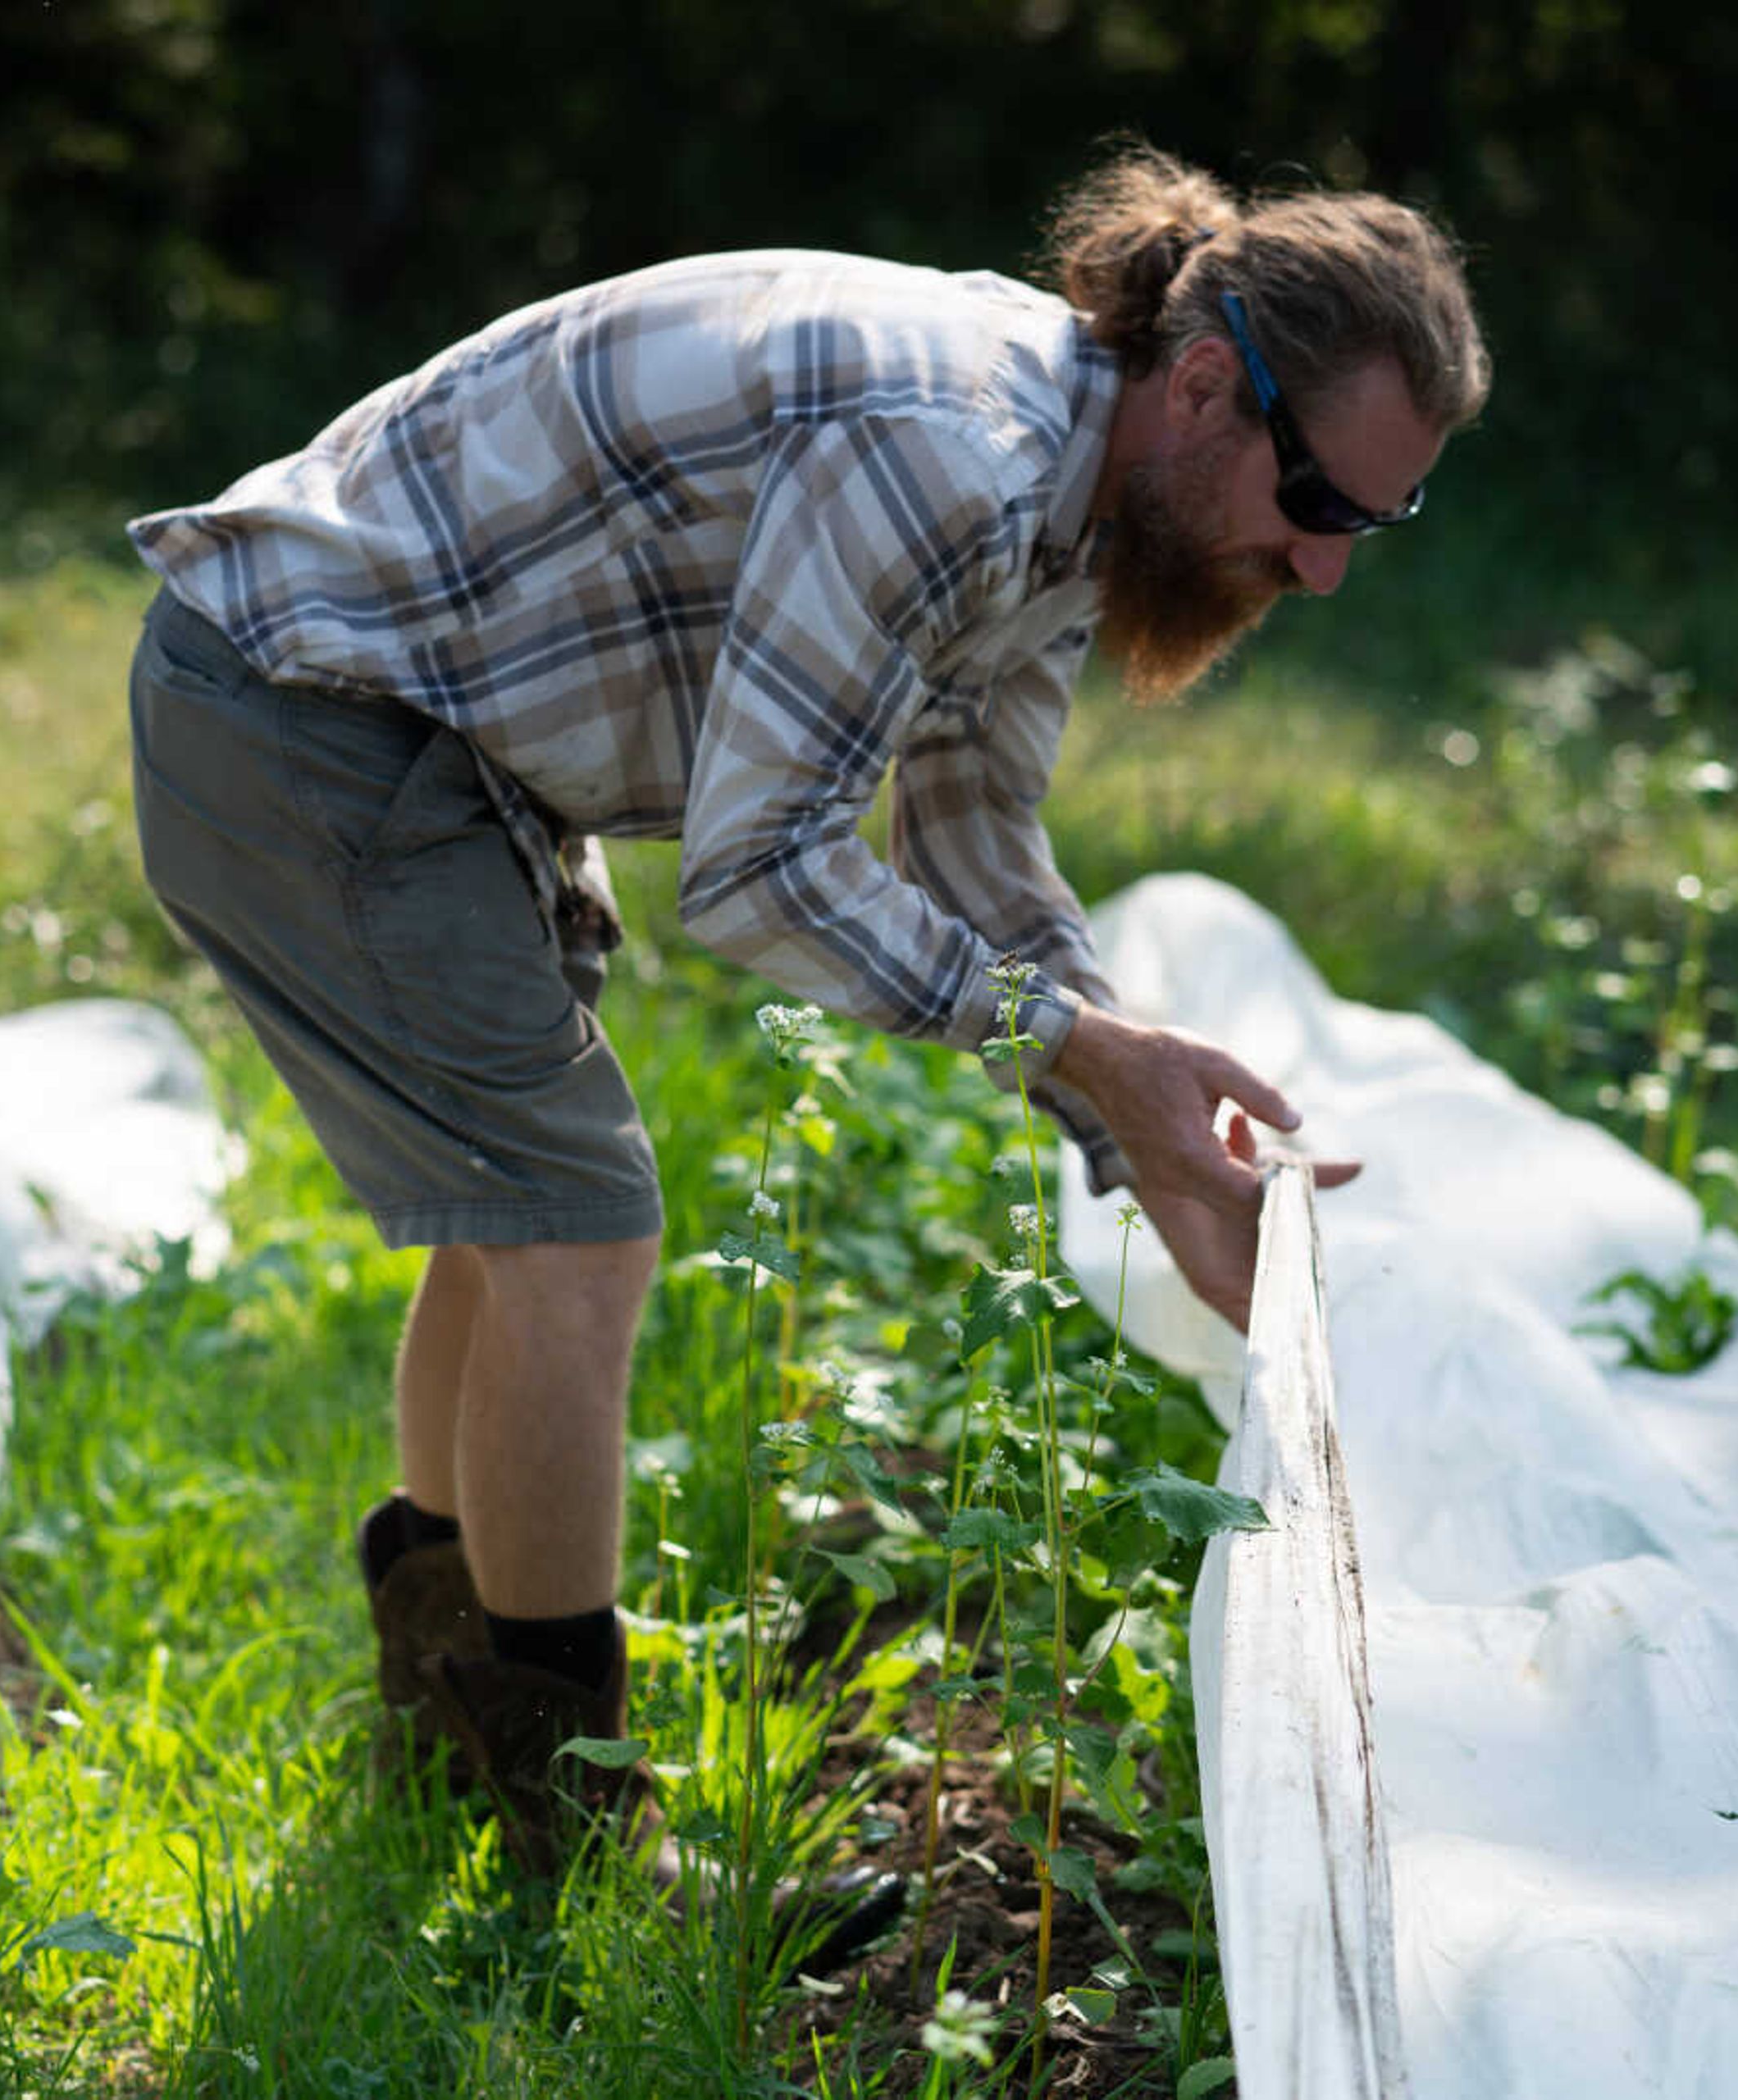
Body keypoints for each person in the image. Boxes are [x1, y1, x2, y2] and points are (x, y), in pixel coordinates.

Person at [120, 145, 1490, 1897]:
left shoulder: (1090, 488)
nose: (1322, 573)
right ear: (1210, 384)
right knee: (575, 1231)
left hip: (432, 739)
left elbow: (977, 834)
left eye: (1373, 523)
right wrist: (1097, 1065)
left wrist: (1135, 1124)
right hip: (306, 705)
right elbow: (760, 871)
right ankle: (568, 1832)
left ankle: (457, 1734)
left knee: (515, 1219)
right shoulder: (958, 458)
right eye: (1320, 502)